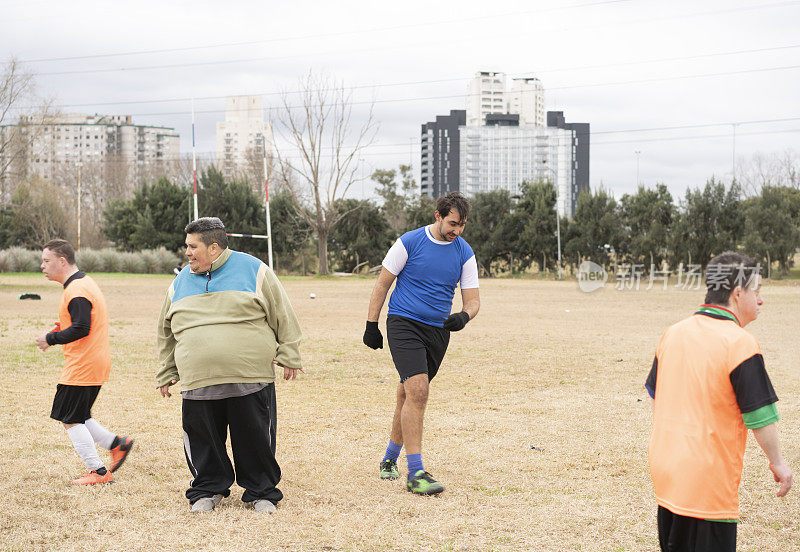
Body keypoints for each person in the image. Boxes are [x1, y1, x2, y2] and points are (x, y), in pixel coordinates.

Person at [645, 251, 792, 552]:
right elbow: (760, 415)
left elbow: (656, 395)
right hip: (707, 489)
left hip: (667, 478)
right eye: (757, 291)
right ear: (738, 294)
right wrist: (778, 462)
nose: (761, 300)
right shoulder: (740, 343)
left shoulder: (672, 333)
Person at [156, 217, 303, 514]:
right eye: (186, 246)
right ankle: (208, 488)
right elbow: (165, 330)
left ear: (213, 247)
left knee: (254, 436)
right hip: (198, 379)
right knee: (202, 438)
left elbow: (282, 313)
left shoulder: (255, 270)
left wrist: (290, 352)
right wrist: (167, 370)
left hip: (250, 376)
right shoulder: (181, 280)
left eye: (192, 246)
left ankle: (261, 491)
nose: (187, 253)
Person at [363, 191, 480, 495]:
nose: (457, 230)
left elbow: (474, 300)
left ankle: (389, 458)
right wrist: (371, 324)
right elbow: (383, 283)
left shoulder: (464, 252)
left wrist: (464, 317)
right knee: (419, 390)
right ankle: (416, 472)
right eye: (453, 223)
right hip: (403, 323)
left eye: (462, 225)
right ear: (438, 216)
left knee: (407, 394)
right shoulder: (410, 242)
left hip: (438, 331)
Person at [35, 239, 134, 485]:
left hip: (83, 365)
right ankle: (117, 444)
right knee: (80, 414)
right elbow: (80, 319)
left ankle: (99, 472)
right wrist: (59, 328)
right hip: (92, 362)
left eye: (46, 261)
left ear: (62, 261)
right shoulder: (82, 283)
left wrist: (51, 338)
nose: (42, 266)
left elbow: (82, 327)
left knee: (69, 418)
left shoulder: (77, 290)